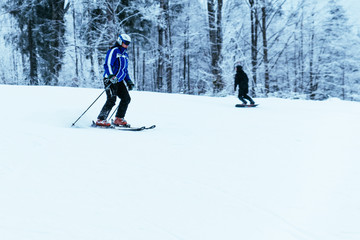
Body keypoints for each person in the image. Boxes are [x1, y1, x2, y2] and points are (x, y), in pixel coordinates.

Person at [95, 33, 135, 127]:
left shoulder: (125, 54)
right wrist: (111, 76)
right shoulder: (114, 51)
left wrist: (128, 81)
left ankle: (118, 119)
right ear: (120, 41)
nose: (127, 45)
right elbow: (108, 65)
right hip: (109, 79)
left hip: (119, 80)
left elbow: (124, 70)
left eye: (128, 43)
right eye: (125, 43)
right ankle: (101, 119)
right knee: (112, 99)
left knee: (126, 98)